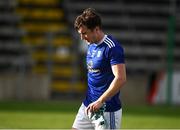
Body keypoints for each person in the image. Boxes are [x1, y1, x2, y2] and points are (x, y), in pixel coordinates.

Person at [72, 8, 126, 130]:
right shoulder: (90, 45)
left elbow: (121, 78)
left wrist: (100, 101)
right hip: (88, 106)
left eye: (84, 33)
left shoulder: (112, 47)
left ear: (96, 29)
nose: (82, 37)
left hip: (107, 110)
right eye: (80, 34)